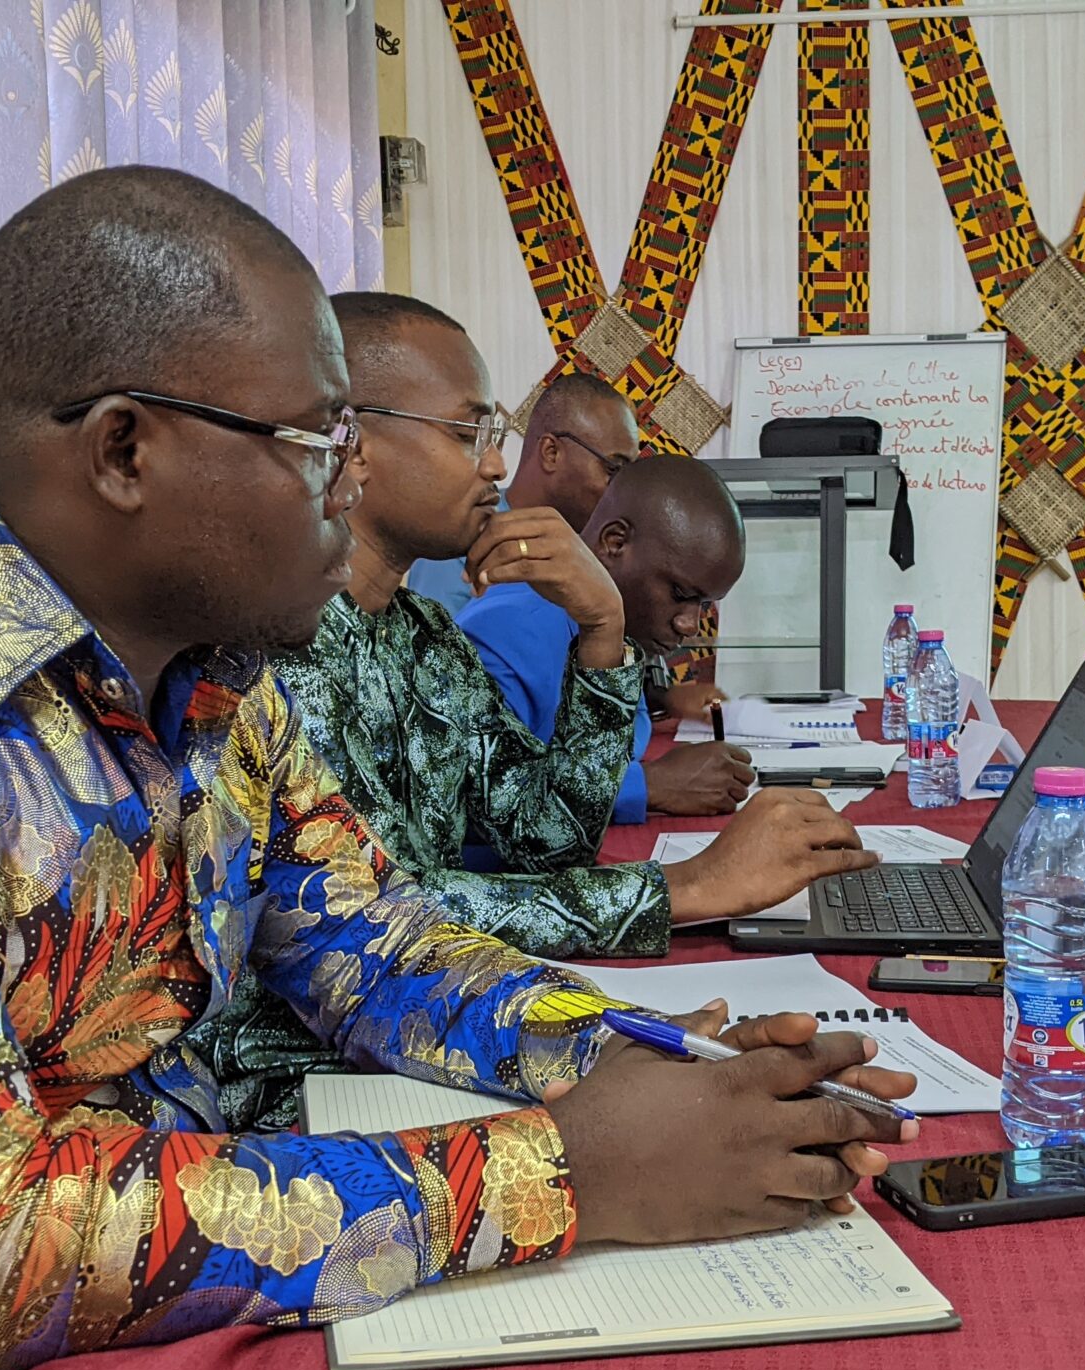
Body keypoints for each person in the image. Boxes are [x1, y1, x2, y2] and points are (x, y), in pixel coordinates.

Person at [0, 167, 912, 1370]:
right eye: (318, 447)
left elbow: (381, 947)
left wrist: (663, 1067)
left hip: (91, 1359)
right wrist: (568, 1170)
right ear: (123, 450)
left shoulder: (218, 677)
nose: (354, 487)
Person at [269, 293, 877, 961]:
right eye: (467, 434)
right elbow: (372, 911)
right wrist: (690, 885)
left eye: (493, 437)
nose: (498, 466)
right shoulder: (280, 649)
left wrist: (602, 634)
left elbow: (546, 839)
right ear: (349, 440)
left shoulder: (423, 638)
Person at [461, 455, 757, 819]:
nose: (690, 625)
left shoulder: (624, 638)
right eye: (680, 594)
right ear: (615, 542)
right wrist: (650, 785)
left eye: (706, 604)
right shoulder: (502, 636)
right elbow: (480, 806)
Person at [403, 371, 640, 614]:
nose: (622, 491)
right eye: (614, 469)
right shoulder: (461, 534)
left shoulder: (597, 557)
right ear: (551, 453)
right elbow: (426, 647)